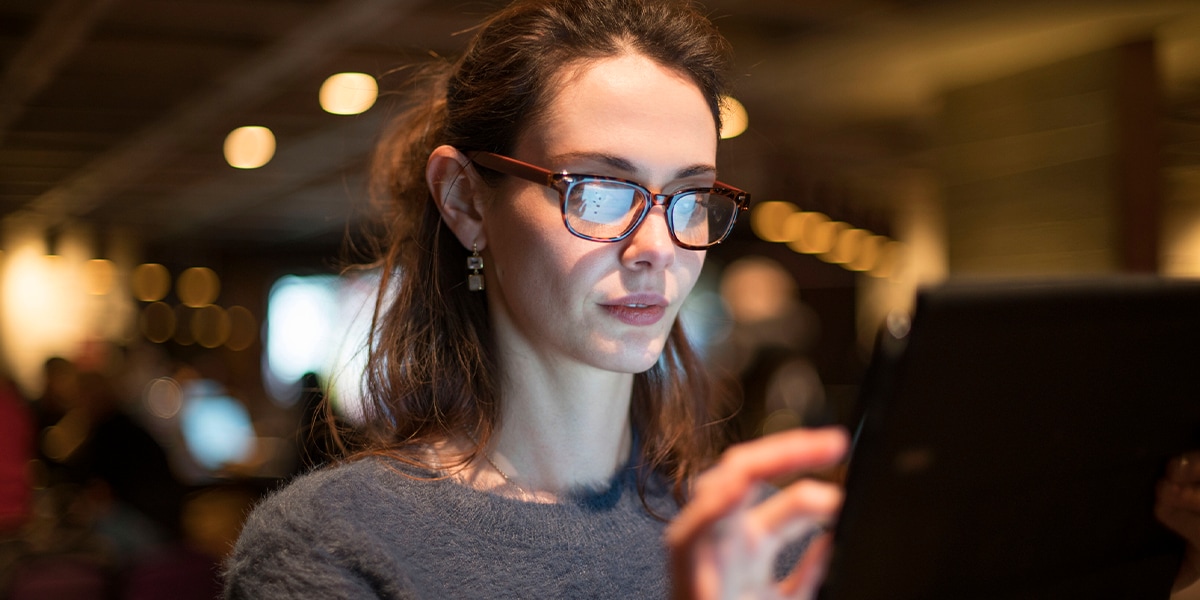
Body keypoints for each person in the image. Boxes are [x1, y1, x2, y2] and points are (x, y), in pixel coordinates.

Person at [224, 1, 1200, 598]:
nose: (656, 247)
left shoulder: (751, 526)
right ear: (466, 201)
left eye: (689, 196)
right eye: (600, 190)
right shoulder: (336, 547)